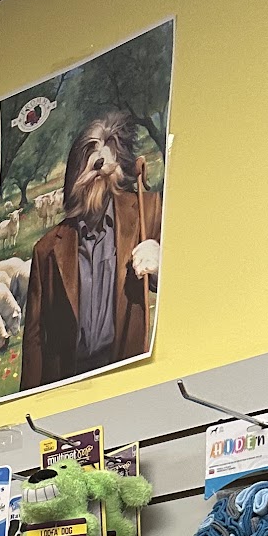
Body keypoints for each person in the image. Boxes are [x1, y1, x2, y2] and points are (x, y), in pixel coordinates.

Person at [21, 111, 161, 391]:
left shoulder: (148, 211)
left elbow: (189, 289)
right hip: (71, 386)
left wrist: (161, 264)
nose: (98, 168)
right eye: (88, 160)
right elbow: (34, 339)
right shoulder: (46, 249)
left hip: (131, 377)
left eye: (104, 157)